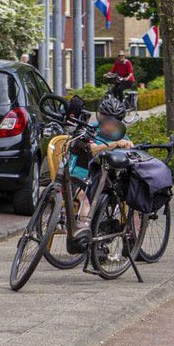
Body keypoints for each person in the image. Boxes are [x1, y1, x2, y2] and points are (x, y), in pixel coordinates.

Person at [69, 98, 136, 240]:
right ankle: (82, 239)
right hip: (79, 177)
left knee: (133, 196)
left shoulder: (120, 134)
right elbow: (93, 150)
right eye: (108, 119)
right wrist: (116, 144)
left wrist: (129, 146)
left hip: (102, 180)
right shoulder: (89, 130)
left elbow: (129, 150)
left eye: (116, 120)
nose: (111, 124)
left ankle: (130, 239)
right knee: (86, 200)